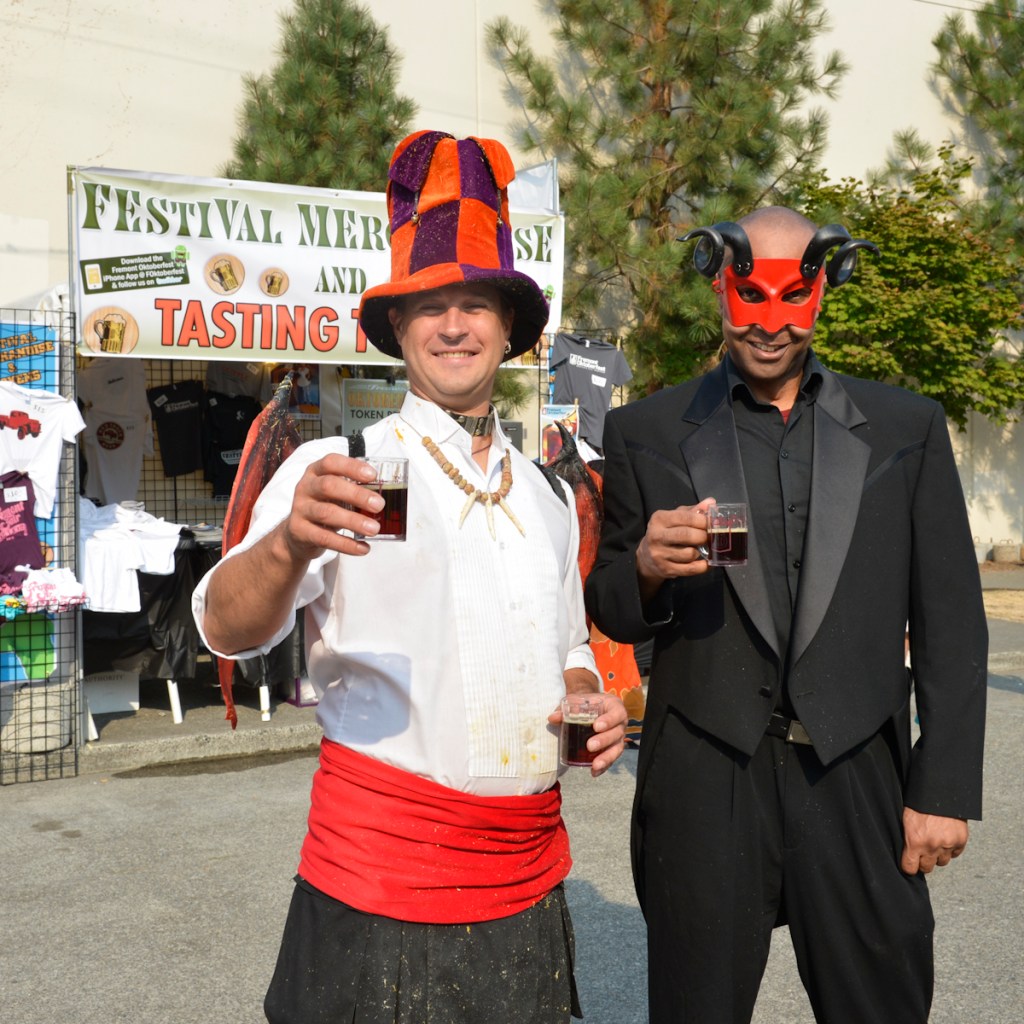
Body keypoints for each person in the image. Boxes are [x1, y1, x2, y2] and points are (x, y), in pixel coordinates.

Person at [192, 129, 626, 1024]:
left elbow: (570, 645)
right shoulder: (340, 467)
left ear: (510, 330)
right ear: (398, 327)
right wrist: (288, 546)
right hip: (377, 888)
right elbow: (224, 629)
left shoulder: (548, 494)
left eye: (476, 304)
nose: (454, 325)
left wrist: (587, 695)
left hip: (525, 885)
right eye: (430, 306)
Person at [584, 206, 987, 1024]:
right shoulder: (644, 431)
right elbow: (613, 611)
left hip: (856, 770)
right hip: (705, 777)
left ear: (823, 292)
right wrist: (648, 567)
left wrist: (943, 787)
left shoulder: (905, 429)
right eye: (750, 297)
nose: (770, 324)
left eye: (792, 298)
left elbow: (950, 619)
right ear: (719, 288)